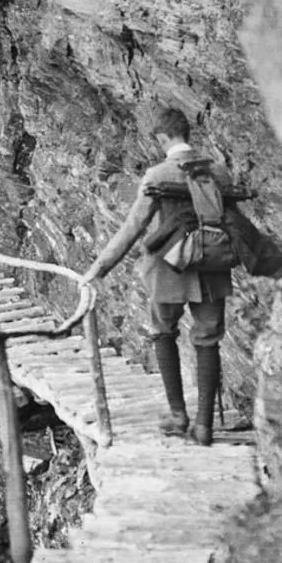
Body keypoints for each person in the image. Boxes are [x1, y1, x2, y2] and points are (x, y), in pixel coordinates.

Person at [79, 106, 234, 447]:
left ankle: (178, 415)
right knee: (209, 339)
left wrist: (99, 268)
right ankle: (205, 427)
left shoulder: (158, 174)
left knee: (163, 332)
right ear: (187, 134)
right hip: (211, 267)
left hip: (167, 271)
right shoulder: (218, 171)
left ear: (163, 138)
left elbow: (133, 227)